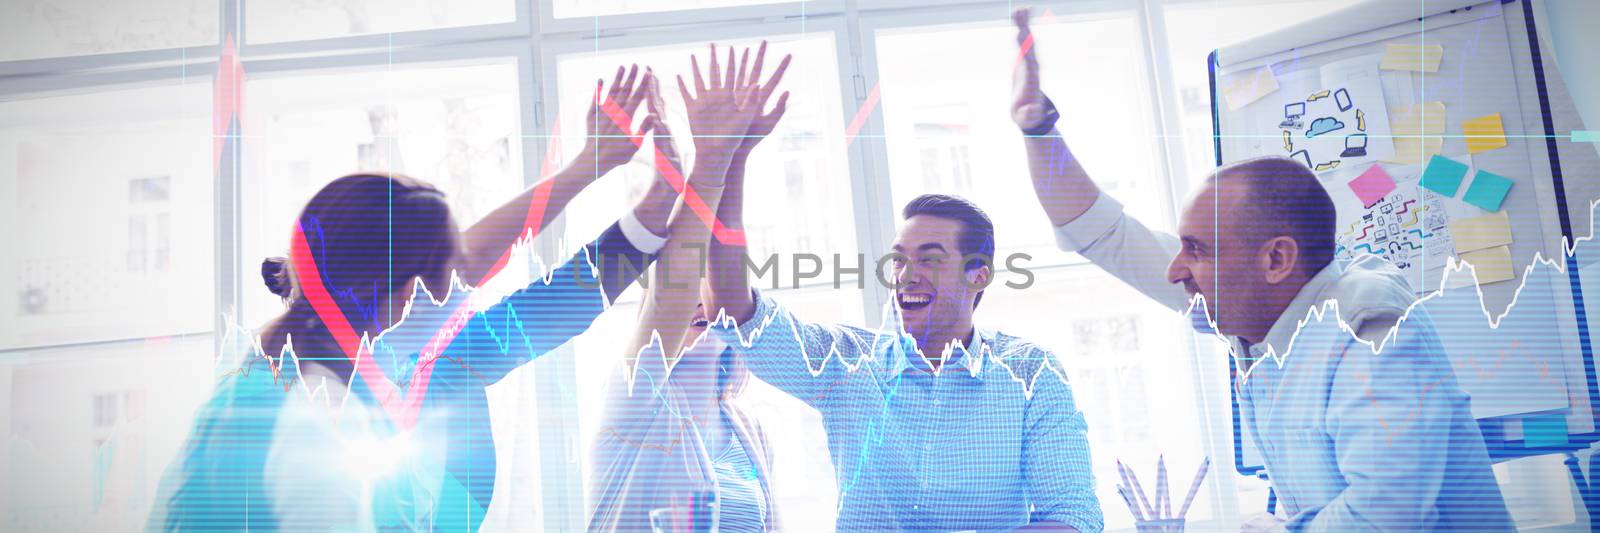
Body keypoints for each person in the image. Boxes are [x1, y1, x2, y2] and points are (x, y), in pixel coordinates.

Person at [1009, 8, 1513, 531]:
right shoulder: (1262, 307)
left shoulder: (1368, 330)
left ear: (1276, 260)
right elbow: (1103, 233)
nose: (1174, 270)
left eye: (1196, 250)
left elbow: (1387, 516)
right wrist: (1038, 130)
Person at [148, 65, 677, 531]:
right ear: (401, 286)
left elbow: (512, 289)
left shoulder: (282, 358)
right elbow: (527, 305)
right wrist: (608, 183)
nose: (458, 283)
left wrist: (601, 175)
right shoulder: (321, 408)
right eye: (446, 271)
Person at [706, 118, 1102, 531]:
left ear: (978, 274)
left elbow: (1074, 518)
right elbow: (733, 311)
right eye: (899, 260)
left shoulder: (1031, 374)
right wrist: (729, 161)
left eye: (930, 258)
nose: (906, 275)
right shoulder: (845, 364)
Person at [587, 42, 791, 533]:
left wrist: (737, 154)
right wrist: (712, 158)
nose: (697, 316)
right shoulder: (634, 400)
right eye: (686, 309)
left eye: (708, 310)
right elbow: (674, 283)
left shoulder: (747, 428)